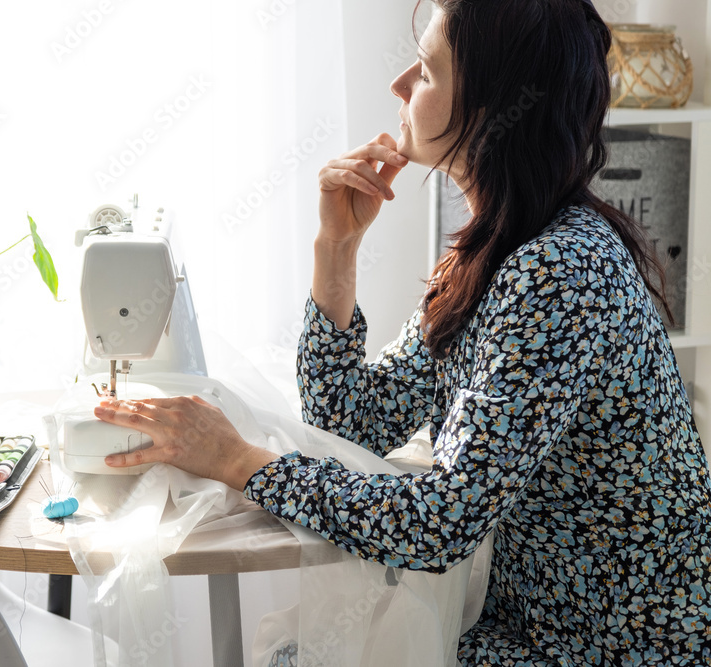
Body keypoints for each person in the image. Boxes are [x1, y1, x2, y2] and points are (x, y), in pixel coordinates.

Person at [94, 0, 711, 663]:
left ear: (493, 110)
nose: (399, 85)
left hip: (608, 650)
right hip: (533, 625)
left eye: (425, 69)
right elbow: (352, 423)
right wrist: (336, 249)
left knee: (294, 657)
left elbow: (439, 522)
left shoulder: (559, 272)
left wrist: (235, 459)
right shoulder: (496, 252)